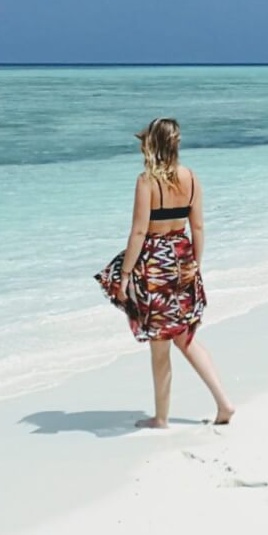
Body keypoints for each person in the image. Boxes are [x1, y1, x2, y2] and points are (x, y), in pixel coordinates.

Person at [95, 117, 235, 428]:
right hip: (183, 258)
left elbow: (138, 233)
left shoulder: (147, 182)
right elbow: (197, 227)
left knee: (161, 348)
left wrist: (126, 275)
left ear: (152, 144)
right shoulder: (192, 178)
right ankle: (224, 403)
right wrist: (195, 267)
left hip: (155, 266)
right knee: (185, 338)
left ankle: (161, 418)